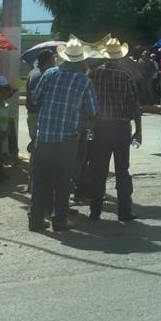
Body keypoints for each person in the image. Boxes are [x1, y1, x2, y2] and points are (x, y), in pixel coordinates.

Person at [28, 38, 99, 232]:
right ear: (81, 60)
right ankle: (59, 220)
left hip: (44, 136)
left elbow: (35, 98)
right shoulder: (84, 81)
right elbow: (93, 111)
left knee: (40, 180)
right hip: (67, 138)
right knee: (62, 181)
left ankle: (35, 219)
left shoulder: (50, 73)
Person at [86, 39, 141, 222]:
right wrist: (138, 130)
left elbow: (87, 103)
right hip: (121, 127)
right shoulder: (125, 76)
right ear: (120, 57)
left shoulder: (93, 74)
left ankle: (95, 211)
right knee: (122, 170)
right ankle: (124, 210)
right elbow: (135, 106)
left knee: (98, 170)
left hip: (99, 127)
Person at [26, 50, 56, 156]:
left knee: (37, 146)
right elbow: (36, 98)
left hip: (33, 114)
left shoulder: (33, 72)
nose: (55, 61)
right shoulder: (42, 74)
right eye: (53, 58)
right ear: (48, 61)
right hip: (38, 115)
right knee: (39, 148)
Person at [0, 80, 16, 183]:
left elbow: (10, 118)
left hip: (5, 132)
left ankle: (1, 173)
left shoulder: (7, 103)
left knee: (2, 154)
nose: (4, 94)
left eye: (6, 92)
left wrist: (8, 131)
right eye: (2, 92)